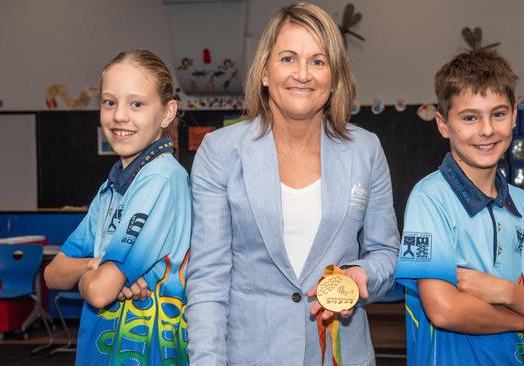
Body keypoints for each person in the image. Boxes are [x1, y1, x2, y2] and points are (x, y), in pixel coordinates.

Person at [184, 3, 399, 365]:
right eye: (288, 58)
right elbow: (208, 278)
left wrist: (362, 274)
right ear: (265, 71)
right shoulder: (220, 151)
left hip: (340, 354)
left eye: (318, 61)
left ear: (334, 78)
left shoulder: (366, 150)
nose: (303, 74)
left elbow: (385, 253)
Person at [394, 48, 524, 365]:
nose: (487, 130)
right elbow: (445, 309)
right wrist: (522, 319)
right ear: (443, 124)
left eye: (498, 114)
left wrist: (505, 292)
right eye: (469, 117)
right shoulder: (430, 197)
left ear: (515, 115)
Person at [44, 50, 191, 365]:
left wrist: (91, 275)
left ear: (167, 113)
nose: (119, 115)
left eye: (137, 104)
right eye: (110, 102)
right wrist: (94, 267)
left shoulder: (161, 178)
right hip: (98, 352)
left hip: (145, 354)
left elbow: (99, 293)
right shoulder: (111, 189)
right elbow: (53, 274)